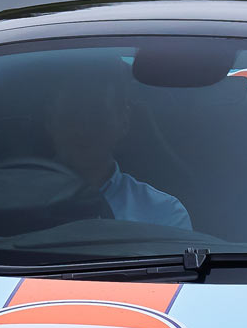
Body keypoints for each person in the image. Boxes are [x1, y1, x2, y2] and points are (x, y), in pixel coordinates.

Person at [47, 53, 190, 231]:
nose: (83, 128)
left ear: (124, 121)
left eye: (97, 114)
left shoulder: (162, 213)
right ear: (50, 119)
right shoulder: (17, 205)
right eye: (71, 113)